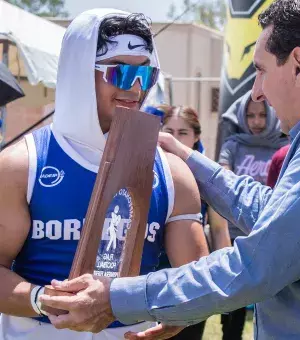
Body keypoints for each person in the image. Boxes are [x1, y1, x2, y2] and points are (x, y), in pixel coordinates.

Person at [40, 0, 300, 339]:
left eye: (260, 70)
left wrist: (116, 296)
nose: (256, 92)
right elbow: (273, 214)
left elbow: (255, 266)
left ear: (298, 65)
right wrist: (189, 158)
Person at [0, 8, 210, 340]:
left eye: (146, 74)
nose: (136, 88)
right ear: (79, 73)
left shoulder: (172, 172)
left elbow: (196, 278)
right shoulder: (20, 166)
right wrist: (44, 300)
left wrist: (179, 310)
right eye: (121, 74)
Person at [157, 104, 232, 339]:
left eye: (183, 133)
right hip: (151, 276)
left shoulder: (207, 176)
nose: (173, 138)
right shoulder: (149, 169)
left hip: (191, 277)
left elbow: (220, 231)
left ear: (196, 136)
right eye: (169, 131)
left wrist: (228, 281)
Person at [217, 91, 288, 339]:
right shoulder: (233, 145)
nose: (256, 122)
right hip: (235, 237)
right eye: (250, 115)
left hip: (270, 235)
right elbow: (223, 182)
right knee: (232, 307)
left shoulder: (285, 148)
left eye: (261, 115)